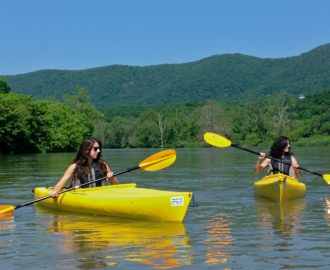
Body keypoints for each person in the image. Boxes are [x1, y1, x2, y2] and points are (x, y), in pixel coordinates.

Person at [50, 137, 118, 197]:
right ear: (86, 150)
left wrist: (111, 178)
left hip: (99, 196)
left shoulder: (103, 164)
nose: (98, 151)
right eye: (95, 149)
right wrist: (55, 192)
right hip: (80, 197)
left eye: (99, 148)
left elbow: (117, 186)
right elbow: (59, 185)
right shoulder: (74, 167)